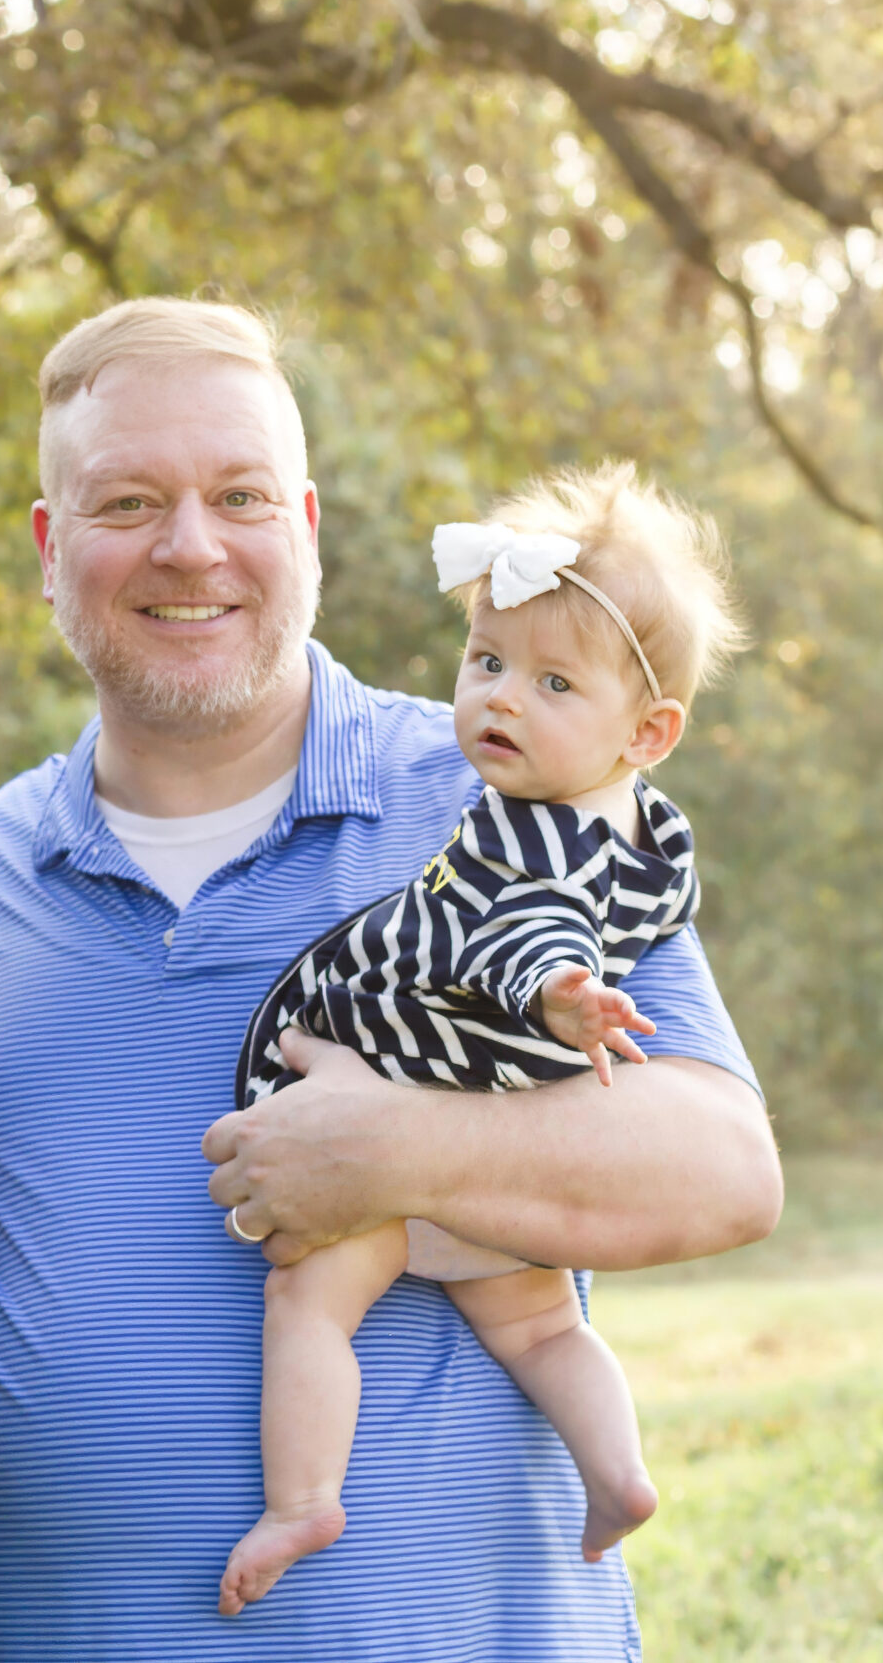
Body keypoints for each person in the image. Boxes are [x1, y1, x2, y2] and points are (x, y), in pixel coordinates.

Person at [0, 299, 782, 1659]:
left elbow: (729, 1168)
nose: (190, 543)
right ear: (49, 547)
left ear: (306, 524)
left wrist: (403, 1145)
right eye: (127, 501)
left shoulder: (508, 803)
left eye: (240, 494)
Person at [220, 467, 750, 1616]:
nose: (501, 701)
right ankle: (615, 1476)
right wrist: (570, 994)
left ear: (647, 730)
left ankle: (302, 1496)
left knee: (310, 1307)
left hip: (394, 1072)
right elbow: (604, 920)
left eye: (553, 682)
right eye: (488, 664)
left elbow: (522, 929)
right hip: (495, 1112)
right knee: (545, 1324)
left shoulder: (519, 827)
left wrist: (561, 993)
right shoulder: (653, 831)